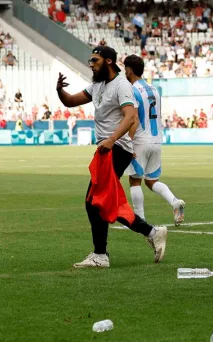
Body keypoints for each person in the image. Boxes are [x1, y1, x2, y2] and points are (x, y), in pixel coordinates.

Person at [56, 46, 167, 268]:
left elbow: (131, 116)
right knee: (103, 203)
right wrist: (60, 90)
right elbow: (70, 101)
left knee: (93, 202)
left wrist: (112, 139)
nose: (90, 63)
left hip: (116, 149)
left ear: (108, 61)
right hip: (107, 149)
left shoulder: (122, 86)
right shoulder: (97, 85)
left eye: (94, 60)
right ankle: (152, 232)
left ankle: (101, 255)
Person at [122, 55, 186, 225]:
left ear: (129, 70)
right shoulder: (154, 89)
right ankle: (174, 201)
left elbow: (134, 118)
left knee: (134, 180)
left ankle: (140, 220)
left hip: (140, 141)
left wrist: (129, 142)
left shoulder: (132, 90)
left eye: (125, 69)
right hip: (157, 140)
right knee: (151, 181)